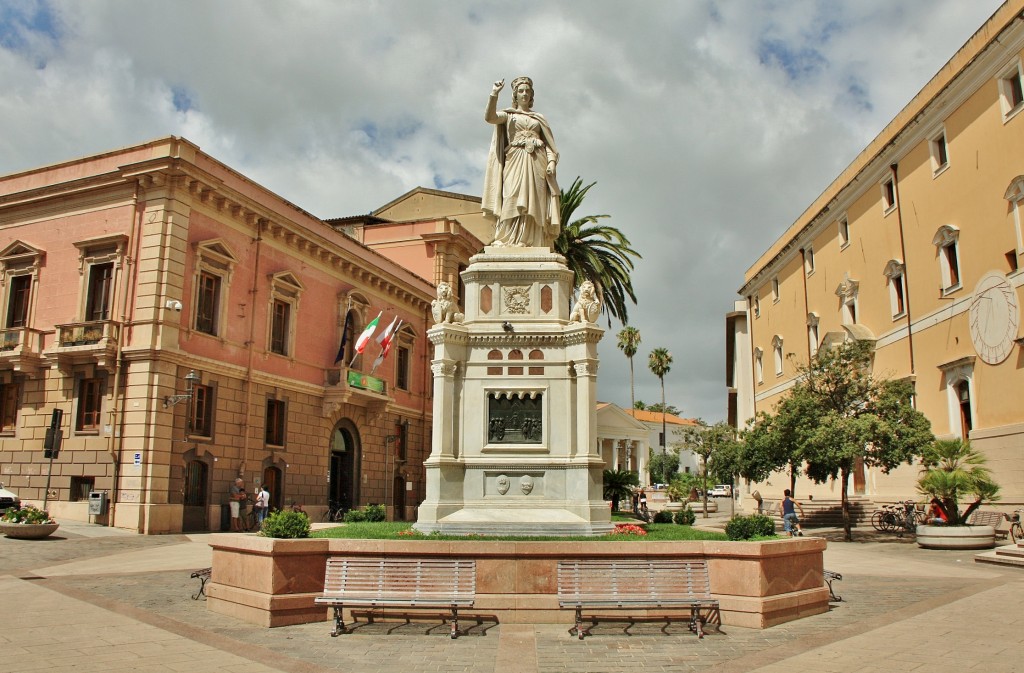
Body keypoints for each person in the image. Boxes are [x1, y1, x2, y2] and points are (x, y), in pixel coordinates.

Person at [482, 76, 561, 249]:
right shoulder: (509, 115)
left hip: (537, 161)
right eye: (521, 91)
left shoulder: (539, 118)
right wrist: (493, 94)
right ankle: (506, 238)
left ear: (531, 95)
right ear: (515, 95)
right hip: (515, 158)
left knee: (535, 201)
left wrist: (552, 162)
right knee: (512, 195)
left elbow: (549, 145)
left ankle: (532, 240)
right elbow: (490, 117)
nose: (524, 94)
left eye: (527, 91)